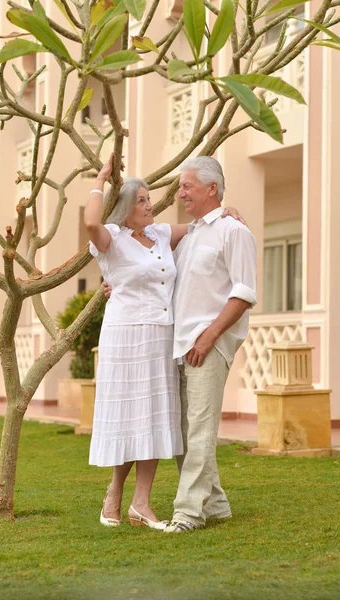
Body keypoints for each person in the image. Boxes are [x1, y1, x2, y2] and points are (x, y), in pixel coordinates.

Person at [85, 154, 244, 530]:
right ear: (125, 209)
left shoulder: (159, 234)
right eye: (141, 201)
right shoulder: (112, 239)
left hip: (161, 335)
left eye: (148, 198)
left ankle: (142, 503)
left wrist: (227, 209)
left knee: (155, 417)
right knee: (127, 418)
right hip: (125, 337)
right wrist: (101, 178)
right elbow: (91, 221)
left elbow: (201, 226)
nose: (150, 205)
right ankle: (114, 492)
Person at [164, 156, 257, 533]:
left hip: (208, 345)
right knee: (184, 434)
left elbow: (244, 292)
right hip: (181, 344)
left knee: (200, 431)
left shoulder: (234, 232)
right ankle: (216, 505)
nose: (180, 192)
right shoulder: (190, 235)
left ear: (211, 189)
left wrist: (209, 336)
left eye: (187, 186)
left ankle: (188, 512)